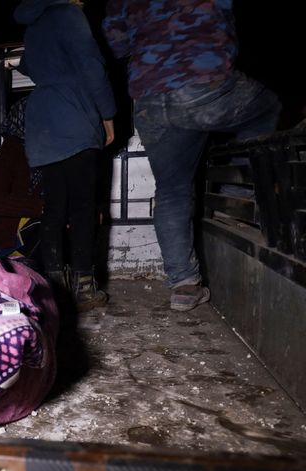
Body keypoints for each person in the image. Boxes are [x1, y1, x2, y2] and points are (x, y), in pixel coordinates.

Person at [102, 0, 281, 311]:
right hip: (202, 79)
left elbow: (116, 44)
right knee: (268, 108)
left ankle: (184, 285)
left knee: (171, 189)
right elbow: (226, 19)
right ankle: (237, 195)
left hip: (149, 99)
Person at [14, 0, 116, 312]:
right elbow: (92, 67)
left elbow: (28, 65)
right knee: (84, 207)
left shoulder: (32, 23)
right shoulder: (70, 15)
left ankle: (53, 290)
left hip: (43, 120)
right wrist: (108, 115)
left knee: (54, 209)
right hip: (73, 115)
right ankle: (84, 288)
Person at [0, 97, 43, 262]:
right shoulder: (7, 154)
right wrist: (43, 208)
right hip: (9, 236)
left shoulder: (43, 151)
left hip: (33, 227)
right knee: (51, 224)